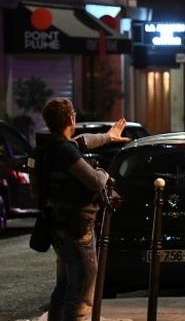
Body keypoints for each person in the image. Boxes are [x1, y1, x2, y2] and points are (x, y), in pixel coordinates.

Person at [33, 98, 128, 321]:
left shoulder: (48, 149)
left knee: (64, 289)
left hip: (57, 227)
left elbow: (81, 142)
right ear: (71, 118)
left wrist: (108, 136)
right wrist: (104, 172)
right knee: (81, 293)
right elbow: (95, 181)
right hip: (78, 231)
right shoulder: (65, 152)